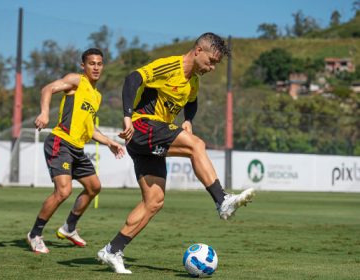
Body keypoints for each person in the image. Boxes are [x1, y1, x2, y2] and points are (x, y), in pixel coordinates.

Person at [96, 33, 255, 273]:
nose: (212, 67)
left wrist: (188, 119)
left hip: (150, 138)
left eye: (216, 64)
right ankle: (221, 200)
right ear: (198, 51)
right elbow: (132, 78)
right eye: (211, 61)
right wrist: (127, 116)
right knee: (196, 145)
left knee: (154, 202)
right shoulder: (171, 66)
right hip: (142, 126)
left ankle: (112, 250)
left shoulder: (193, 80)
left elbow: (192, 100)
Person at [27, 48, 125, 254]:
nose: (96, 67)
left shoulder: (96, 96)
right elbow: (47, 89)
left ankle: (69, 228)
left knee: (94, 187)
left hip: (77, 149)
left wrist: (109, 142)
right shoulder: (76, 81)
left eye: (99, 64)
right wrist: (44, 113)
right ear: (83, 65)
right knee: (63, 191)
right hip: (60, 142)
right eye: (92, 63)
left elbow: (90, 129)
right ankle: (35, 234)